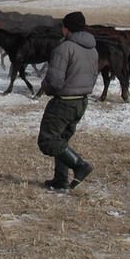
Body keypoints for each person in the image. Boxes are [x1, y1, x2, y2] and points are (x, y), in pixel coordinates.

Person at [37, 11, 99, 191]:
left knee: (47, 140)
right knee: (61, 140)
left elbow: (55, 81)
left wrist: (46, 87)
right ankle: (60, 180)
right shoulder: (92, 49)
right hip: (81, 101)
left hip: (64, 101)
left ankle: (80, 165)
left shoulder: (63, 48)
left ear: (66, 28)